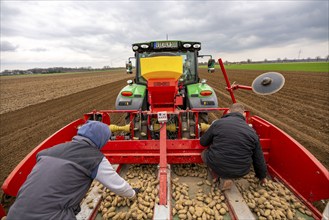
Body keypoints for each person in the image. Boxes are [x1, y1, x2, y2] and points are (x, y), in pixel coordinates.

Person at [7, 120, 138, 219]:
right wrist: (132, 193)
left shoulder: (49, 151)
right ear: (101, 140)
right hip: (51, 216)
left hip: (15, 213)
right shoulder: (93, 158)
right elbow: (117, 185)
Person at [200, 103, 267, 190]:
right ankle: (226, 175)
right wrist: (262, 177)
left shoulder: (218, 124)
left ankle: (217, 174)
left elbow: (203, 142)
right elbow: (259, 157)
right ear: (243, 114)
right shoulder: (252, 132)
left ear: (228, 111)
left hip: (218, 166)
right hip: (242, 171)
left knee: (204, 153)